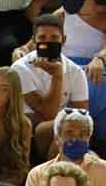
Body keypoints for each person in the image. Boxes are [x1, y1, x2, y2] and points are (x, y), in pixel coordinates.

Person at [12, 12, 90, 156]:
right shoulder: (20, 68)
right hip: (26, 131)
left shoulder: (76, 71)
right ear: (34, 41)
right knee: (46, 128)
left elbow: (82, 115)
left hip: (57, 131)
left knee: (64, 130)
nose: (48, 42)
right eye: (42, 38)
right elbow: (48, 113)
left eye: (54, 38)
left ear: (64, 40)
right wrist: (57, 76)